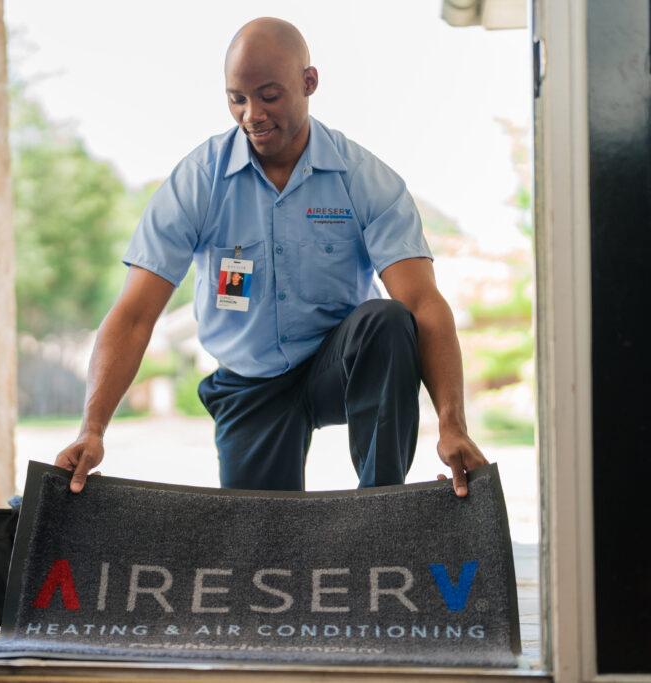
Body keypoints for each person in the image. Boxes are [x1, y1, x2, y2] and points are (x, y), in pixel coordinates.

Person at [54, 17, 487, 497]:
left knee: (387, 321)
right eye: (237, 98)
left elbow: (424, 304)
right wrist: (92, 429)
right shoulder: (199, 180)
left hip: (335, 368)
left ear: (309, 83)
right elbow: (135, 314)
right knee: (261, 549)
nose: (251, 114)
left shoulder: (363, 178)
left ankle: (379, 507)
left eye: (269, 95)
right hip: (250, 383)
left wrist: (452, 424)